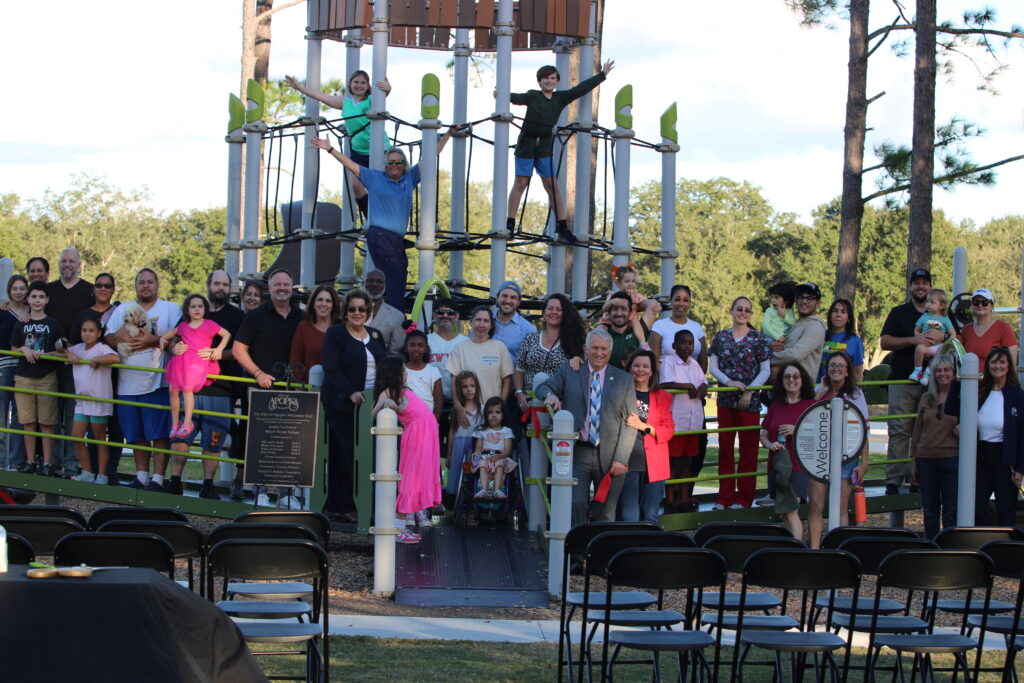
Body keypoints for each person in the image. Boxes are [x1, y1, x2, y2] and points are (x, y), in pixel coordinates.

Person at [312, 133, 454, 312]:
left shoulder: (409, 178)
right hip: (380, 235)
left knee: (400, 275)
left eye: (398, 162)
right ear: (386, 165)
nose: (394, 166)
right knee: (393, 277)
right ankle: (396, 316)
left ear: (404, 165)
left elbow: (431, 155)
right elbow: (351, 165)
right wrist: (331, 149)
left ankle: (389, 313)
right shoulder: (375, 177)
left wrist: (448, 134)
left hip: (396, 239)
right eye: (390, 162)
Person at [505, 60, 614, 243]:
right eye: (546, 78)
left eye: (553, 78)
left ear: (557, 82)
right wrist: (500, 94)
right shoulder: (533, 96)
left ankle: (562, 225)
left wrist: (602, 74)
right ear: (540, 81)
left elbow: (579, 90)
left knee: (552, 185)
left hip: (545, 147)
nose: (549, 81)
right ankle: (509, 223)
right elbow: (515, 98)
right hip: (527, 144)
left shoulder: (559, 98)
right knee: (521, 182)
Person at [537, 328, 637, 526]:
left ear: (610, 350)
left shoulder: (623, 379)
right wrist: (551, 395)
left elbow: (630, 423)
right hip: (578, 452)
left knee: (606, 510)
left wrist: (620, 459)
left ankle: (600, 553)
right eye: (595, 348)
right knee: (575, 504)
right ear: (586, 349)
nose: (599, 353)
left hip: (610, 456)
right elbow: (543, 387)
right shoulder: (571, 370)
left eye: (603, 349)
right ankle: (576, 554)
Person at [168, 270, 246, 501]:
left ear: (229, 288)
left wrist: (219, 353)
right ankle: (174, 481)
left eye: (225, 284)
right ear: (208, 285)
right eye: (216, 283)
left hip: (220, 389)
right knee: (181, 436)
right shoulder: (193, 310)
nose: (220, 288)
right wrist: (173, 347)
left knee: (213, 439)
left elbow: (242, 349)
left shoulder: (237, 316)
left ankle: (208, 485)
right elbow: (174, 336)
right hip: (187, 385)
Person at [104, 268, 181, 490]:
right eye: (141, 282)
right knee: (136, 433)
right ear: (135, 286)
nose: (145, 286)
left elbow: (179, 336)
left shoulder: (170, 308)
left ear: (157, 285)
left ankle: (158, 479)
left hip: (157, 380)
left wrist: (152, 341)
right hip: (127, 382)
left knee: (158, 432)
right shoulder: (123, 309)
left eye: (149, 282)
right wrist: (119, 336)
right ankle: (141, 477)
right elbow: (108, 336)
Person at [233, 269, 303, 505]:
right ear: (269, 288)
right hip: (261, 387)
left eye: (286, 284)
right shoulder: (256, 316)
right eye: (277, 285)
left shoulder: (300, 317)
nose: (282, 288)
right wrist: (257, 373)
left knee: (289, 442)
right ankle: (260, 492)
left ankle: (286, 494)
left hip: (291, 388)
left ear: (292, 287)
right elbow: (238, 349)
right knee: (261, 441)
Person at [284, 70, 391, 218]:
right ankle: (371, 219)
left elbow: (383, 95)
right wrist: (298, 87)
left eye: (363, 83)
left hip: (379, 148)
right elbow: (320, 96)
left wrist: (388, 89)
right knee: (356, 186)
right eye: (356, 82)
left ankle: (387, 216)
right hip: (359, 151)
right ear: (350, 84)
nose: (359, 85)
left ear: (368, 86)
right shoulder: (345, 103)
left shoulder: (371, 100)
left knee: (382, 185)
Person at [320, 289, 387, 521]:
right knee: (346, 453)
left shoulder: (376, 335)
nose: (357, 313)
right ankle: (343, 505)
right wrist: (350, 392)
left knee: (370, 454)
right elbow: (331, 368)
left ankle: (367, 502)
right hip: (343, 404)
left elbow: (385, 366)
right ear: (345, 311)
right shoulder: (335, 334)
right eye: (352, 309)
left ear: (368, 311)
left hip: (371, 404)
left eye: (362, 309)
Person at [946, 346, 1024, 526]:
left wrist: (1020, 468)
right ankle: (984, 543)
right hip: (980, 457)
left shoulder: (1016, 395)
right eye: (994, 362)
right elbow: (951, 408)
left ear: (1008, 366)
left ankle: (1004, 548)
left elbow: (1022, 435)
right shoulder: (979, 390)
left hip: (1005, 460)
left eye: (1002, 362)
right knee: (976, 508)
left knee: (1006, 510)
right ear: (987, 365)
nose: (998, 366)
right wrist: (958, 380)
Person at [709, 296, 772, 510]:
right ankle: (724, 497)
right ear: (731, 310)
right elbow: (713, 367)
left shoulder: (758, 339)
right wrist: (729, 382)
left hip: (749, 403)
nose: (743, 313)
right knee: (725, 449)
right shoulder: (721, 337)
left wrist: (750, 391)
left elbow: (765, 370)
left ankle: (744, 498)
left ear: (751, 314)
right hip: (726, 400)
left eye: (747, 310)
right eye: (739, 309)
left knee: (748, 450)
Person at [879, 268, 939, 495]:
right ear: (911, 287)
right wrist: (914, 340)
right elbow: (885, 341)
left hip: (932, 383)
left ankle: (917, 480)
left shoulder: (939, 315)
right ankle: (893, 481)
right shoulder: (899, 313)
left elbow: (954, 338)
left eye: (925, 283)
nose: (921, 287)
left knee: (924, 432)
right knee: (899, 430)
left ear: (930, 286)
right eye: (917, 283)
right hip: (902, 380)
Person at [371, 355, 441, 543]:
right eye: (402, 370)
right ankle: (397, 529)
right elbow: (374, 411)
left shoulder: (403, 390)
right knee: (410, 481)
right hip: (417, 438)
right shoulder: (388, 392)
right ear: (394, 374)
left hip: (427, 437)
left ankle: (401, 527)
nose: (405, 373)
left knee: (419, 479)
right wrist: (386, 403)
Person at [807, 351, 870, 549]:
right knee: (816, 505)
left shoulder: (856, 394)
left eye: (841, 366)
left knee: (841, 505)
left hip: (847, 456)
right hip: (819, 455)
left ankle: (838, 549)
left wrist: (864, 463)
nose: (836, 369)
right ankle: (815, 549)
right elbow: (807, 418)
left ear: (847, 371)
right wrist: (820, 391)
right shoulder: (819, 389)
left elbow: (863, 430)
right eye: (833, 365)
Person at [47, 248, 95, 475]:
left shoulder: (88, 291)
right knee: (51, 414)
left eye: (71, 261)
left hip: (78, 363)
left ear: (79, 265)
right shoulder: (48, 291)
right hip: (50, 361)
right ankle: (52, 460)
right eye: (63, 261)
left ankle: (70, 462)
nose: (67, 264)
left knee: (73, 414)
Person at [11, 281, 65, 477]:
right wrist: (24, 349)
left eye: (41, 297)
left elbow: (63, 352)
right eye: (34, 296)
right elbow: (14, 348)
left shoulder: (53, 324)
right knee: (27, 422)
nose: (37, 300)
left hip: (46, 377)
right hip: (24, 377)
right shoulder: (22, 323)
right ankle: (30, 461)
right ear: (28, 299)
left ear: (47, 300)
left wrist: (45, 354)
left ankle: (48, 462)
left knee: (47, 422)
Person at [159, 294, 231, 439]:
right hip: (181, 361)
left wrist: (218, 350)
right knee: (173, 389)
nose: (197, 309)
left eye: (200, 306)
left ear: (205, 309)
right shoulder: (183, 326)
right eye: (193, 306)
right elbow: (168, 335)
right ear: (187, 310)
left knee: (187, 388)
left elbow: (226, 334)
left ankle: (187, 423)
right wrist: (162, 339)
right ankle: (175, 424)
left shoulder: (209, 324)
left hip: (199, 360)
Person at [618, 349, 674, 525]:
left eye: (645, 366)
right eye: (636, 365)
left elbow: (668, 430)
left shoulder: (663, 397)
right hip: (628, 462)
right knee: (629, 516)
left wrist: (645, 427)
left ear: (652, 371)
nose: (640, 370)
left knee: (650, 516)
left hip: (655, 464)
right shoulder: (619, 393)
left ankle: (650, 550)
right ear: (629, 368)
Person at [760, 362, 816, 540]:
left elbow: (819, 435)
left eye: (796, 376)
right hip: (776, 464)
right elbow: (764, 433)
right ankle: (792, 544)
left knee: (791, 509)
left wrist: (797, 429)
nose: (791, 380)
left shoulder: (811, 405)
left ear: (802, 380)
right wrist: (770, 445)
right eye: (787, 376)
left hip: (798, 465)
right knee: (784, 511)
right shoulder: (776, 406)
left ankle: (797, 550)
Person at [909, 354, 960, 539]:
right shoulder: (926, 398)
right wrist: (913, 458)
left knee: (950, 508)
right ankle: (930, 545)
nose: (942, 374)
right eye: (938, 370)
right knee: (930, 509)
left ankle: (949, 546)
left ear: (954, 373)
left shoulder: (962, 397)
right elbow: (917, 429)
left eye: (946, 370)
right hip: (926, 459)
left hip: (952, 458)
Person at [659, 329, 708, 512]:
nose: (687, 346)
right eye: (682, 342)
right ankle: (670, 499)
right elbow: (664, 384)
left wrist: (702, 386)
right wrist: (687, 386)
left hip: (693, 421)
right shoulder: (668, 362)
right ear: (674, 345)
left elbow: (703, 382)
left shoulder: (694, 364)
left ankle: (684, 498)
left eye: (690, 343)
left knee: (687, 461)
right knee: (673, 461)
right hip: (676, 421)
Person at [65, 318, 118, 484]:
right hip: (82, 400)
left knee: (98, 438)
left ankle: (102, 475)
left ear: (99, 333)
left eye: (91, 331)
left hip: (98, 399)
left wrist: (97, 360)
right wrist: (68, 353)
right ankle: (87, 472)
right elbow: (59, 350)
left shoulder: (102, 348)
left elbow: (115, 358)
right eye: (84, 331)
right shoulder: (78, 348)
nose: (87, 334)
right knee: (76, 436)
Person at [512, 293, 585, 412]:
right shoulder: (530, 338)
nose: (554, 312)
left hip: (559, 406)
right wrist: (519, 393)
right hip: (530, 406)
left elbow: (582, 375)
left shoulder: (575, 342)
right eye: (550, 308)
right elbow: (519, 371)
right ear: (544, 312)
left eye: (559, 309)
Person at [447, 306, 514, 408]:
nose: (481, 324)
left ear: (491, 325)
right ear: (471, 322)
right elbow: (454, 380)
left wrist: (501, 405)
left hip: (492, 411)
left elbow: (507, 379)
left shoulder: (499, 347)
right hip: (467, 411)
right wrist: (458, 406)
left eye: (486, 321)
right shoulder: (460, 348)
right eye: (478, 320)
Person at [769, 281, 827, 383]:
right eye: (801, 297)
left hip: (801, 392)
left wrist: (766, 358)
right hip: (784, 389)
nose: (804, 301)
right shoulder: (796, 324)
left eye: (810, 298)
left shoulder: (815, 326)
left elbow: (795, 355)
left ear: (818, 303)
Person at [1, 275, 29, 470]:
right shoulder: (2, 312)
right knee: (2, 415)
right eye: (15, 288)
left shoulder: (33, 313)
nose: (18, 291)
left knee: (21, 417)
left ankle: (17, 461)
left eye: (22, 288)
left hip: (24, 368)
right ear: (9, 291)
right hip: (3, 366)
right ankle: (2, 461)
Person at [649, 284, 708, 372]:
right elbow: (652, 361)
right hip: (667, 382)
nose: (681, 303)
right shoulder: (659, 326)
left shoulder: (697, 327)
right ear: (671, 301)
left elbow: (703, 364)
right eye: (677, 299)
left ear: (690, 303)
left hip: (693, 383)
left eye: (685, 300)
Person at [289, 285, 341, 383]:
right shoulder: (304, 327)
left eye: (328, 301)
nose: (323, 304)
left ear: (334, 305)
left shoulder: (342, 328)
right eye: (320, 300)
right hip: (311, 389)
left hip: (338, 390)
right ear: (313, 303)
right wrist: (298, 388)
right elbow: (296, 360)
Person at [470, 396, 516, 499]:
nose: (493, 415)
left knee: (500, 464)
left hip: (500, 456)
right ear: (486, 415)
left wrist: (500, 456)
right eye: (490, 412)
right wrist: (476, 455)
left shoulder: (506, 431)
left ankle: (497, 490)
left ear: (503, 415)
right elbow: (478, 448)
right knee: (482, 464)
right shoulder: (481, 430)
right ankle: (484, 489)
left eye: (497, 412)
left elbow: (507, 450)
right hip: (485, 456)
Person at [961, 288, 1019, 369]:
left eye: (985, 303)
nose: (980, 305)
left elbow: (1012, 362)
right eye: (976, 303)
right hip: (969, 380)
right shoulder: (966, 330)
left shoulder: (1003, 328)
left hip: (993, 380)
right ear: (972, 306)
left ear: (992, 305)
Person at [908, 288, 956, 385]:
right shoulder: (924, 317)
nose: (928, 304)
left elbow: (953, 334)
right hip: (926, 347)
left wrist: (947, 344)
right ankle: (917, 370)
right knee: (919, 348)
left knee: (941, 349)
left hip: (938, 347)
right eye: (927, 301)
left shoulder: (945, 319)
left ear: (941, 305)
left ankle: (928, 372)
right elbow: (916, 330)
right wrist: (919, 337)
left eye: (932, 302)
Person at [599, 265, 657, 342]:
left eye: (633, 281)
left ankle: (643, 343)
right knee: (600, 329)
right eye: (627, 281)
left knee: (635, 320)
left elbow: (647, 303)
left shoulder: (635, 296)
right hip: (610, 321)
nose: (630, 284)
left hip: (630, 321)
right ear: (618, 283)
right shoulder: (613, 295)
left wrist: (655, 306)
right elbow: (604, 308)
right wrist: (612, 302)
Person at [818, 298, 864, 383]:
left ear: (849, 318)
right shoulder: (820, 335)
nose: (838, 315)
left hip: (843, 392)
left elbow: (857, 371)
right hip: (819, 389)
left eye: (843, 312)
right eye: (835, 311)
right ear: (830, 315)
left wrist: (857, 391)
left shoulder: (855, 340)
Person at [493, 280, 536, 367]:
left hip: (513, 379)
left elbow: (531, 365)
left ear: (518, 302)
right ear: (497, 297)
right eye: (504, 296)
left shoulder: (528, 330)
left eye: (513, 297)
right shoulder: (484, 323)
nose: (508, 300)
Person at [402, 328, 441, 422]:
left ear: (426, 348)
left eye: (420, 345)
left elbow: (438, 402)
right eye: (412, 345)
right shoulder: (400, 370)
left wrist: (434, 422)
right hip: (405, 421)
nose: (416, 349)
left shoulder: (433, 371)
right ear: (405, 347)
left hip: (427, 421)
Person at [598, 291, 644, 370]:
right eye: (615, 309)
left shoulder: (638, 332)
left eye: (623, 309)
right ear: (609, 312)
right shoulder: (601, 334)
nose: (619, 313)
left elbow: (653, 306)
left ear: (630, 313)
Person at [364, 270, 405, 353]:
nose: (375, 284)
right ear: (363, 283)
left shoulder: (397, 316)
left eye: (379, 282)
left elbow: (395, 352)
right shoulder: (351, 311)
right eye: (370, 281)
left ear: (385, 285)